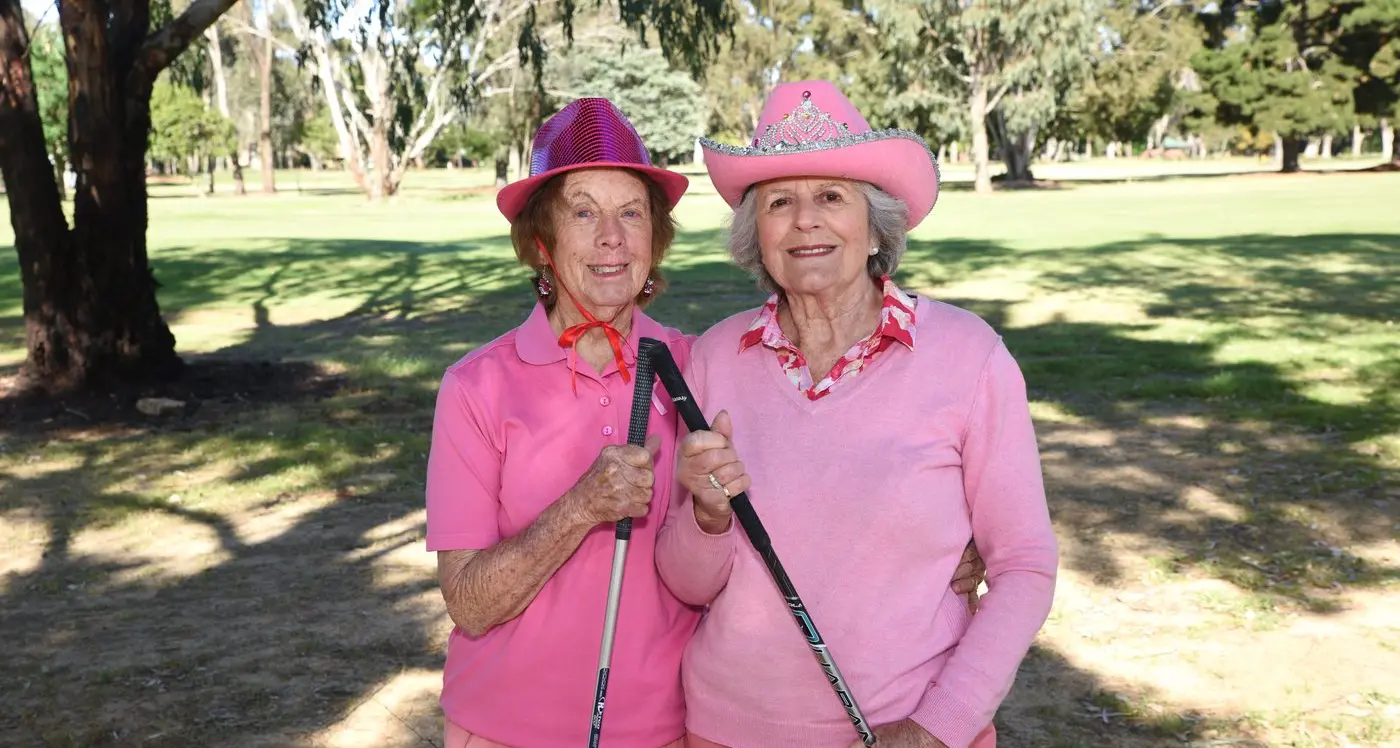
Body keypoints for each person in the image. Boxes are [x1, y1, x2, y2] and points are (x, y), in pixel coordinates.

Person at [424, 95, 988, 748]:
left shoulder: (700, 366)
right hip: (502, 726)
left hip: (667, 729)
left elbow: (821, 465)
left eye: (631, 212)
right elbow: (469, 603)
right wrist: (580, 507)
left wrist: (952, 535)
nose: (611, 237)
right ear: (541, 242)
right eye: (582, 212)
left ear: (654, 238)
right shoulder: (477, 387)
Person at [654, 80, 1059, 748]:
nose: (804, 221)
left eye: (831, 197)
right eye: (779, 201)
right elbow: (686, 585)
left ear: (875, 228)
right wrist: (707, 516)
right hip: (727, 729)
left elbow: (1024, 566)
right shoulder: (713, 360)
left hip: (909, 731)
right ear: (757, 234)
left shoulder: (968, 356)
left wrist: (938, 727)